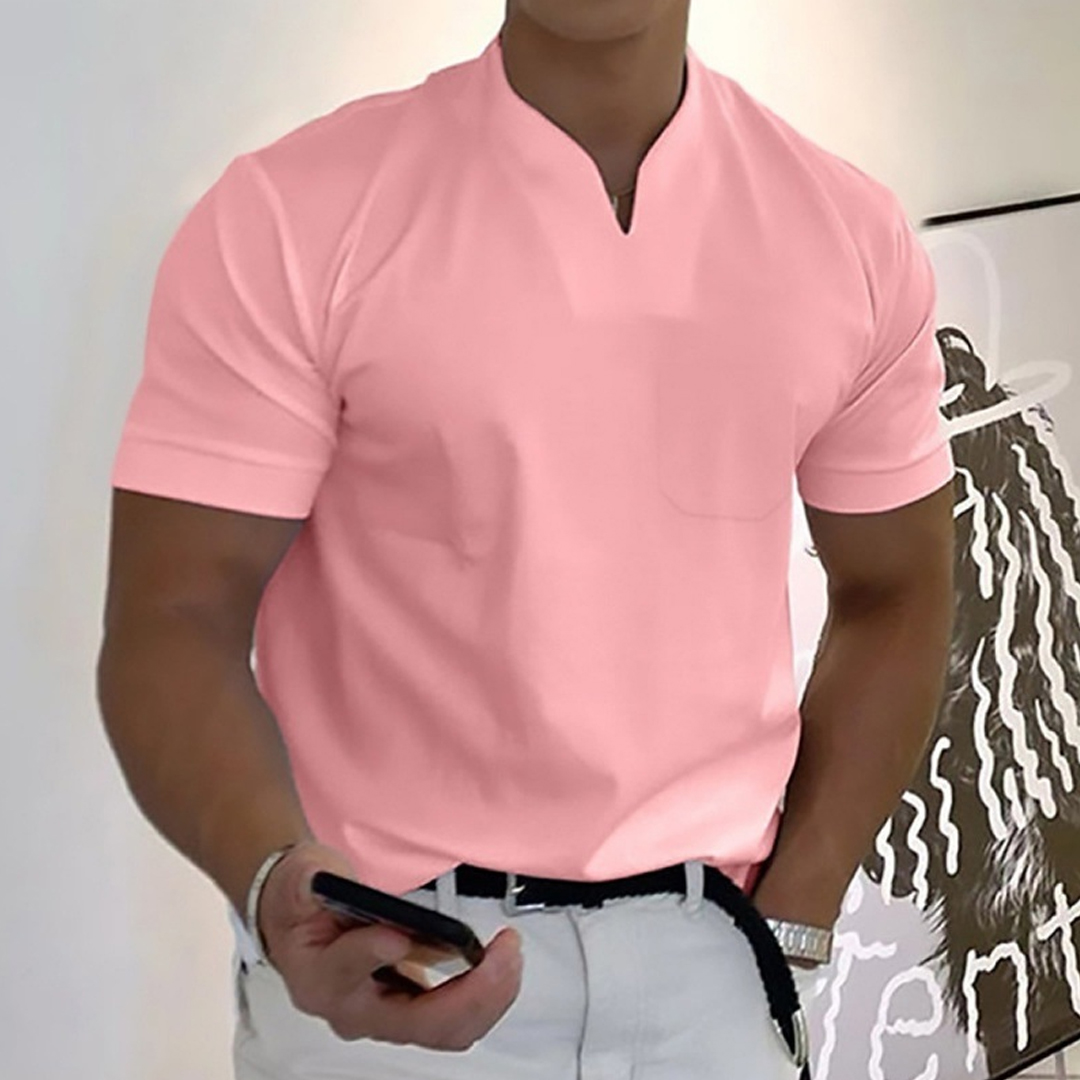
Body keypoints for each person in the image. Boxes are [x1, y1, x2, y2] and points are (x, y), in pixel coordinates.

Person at [96, 1, 956, 1077]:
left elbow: (897, 588)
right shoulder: (293, 216)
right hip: (392, 969)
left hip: (716, 979)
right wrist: (278, 884)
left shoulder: (848, 233)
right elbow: (177, 617)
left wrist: (794, 922)